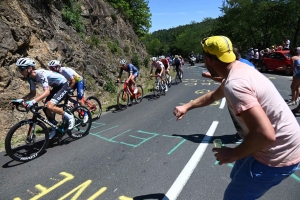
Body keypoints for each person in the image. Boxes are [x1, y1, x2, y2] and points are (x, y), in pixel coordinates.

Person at [174, 36, 300, 200]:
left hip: (277, 154)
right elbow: (213, 96)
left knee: (233, 197)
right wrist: (187, 106)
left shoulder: (236, 85)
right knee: (236, 176)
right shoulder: (239, 69)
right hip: (271, 145)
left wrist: (232, 154)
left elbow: (265, 134)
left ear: (208, 59)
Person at [11, 58, 75, 139]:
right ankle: (54, 128)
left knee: (50, 106)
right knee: (45, 108)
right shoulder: (30, 78)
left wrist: (32, 102)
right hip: (56, 87)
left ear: (30, 68)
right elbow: (32, 93)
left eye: (22, 69)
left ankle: (70, 117)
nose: (20, 71)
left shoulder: (41, 74)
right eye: (19, 69)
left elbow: (47, 92)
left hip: (63, 85)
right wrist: (21, 100)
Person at [202, 48, 255, 144]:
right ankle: (246, 135)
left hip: (267, 148)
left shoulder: (235, 73)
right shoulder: (245, 63)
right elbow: (214, 95)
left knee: (238, 114)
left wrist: (233, 154)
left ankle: (244, 135)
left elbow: (225, 80)